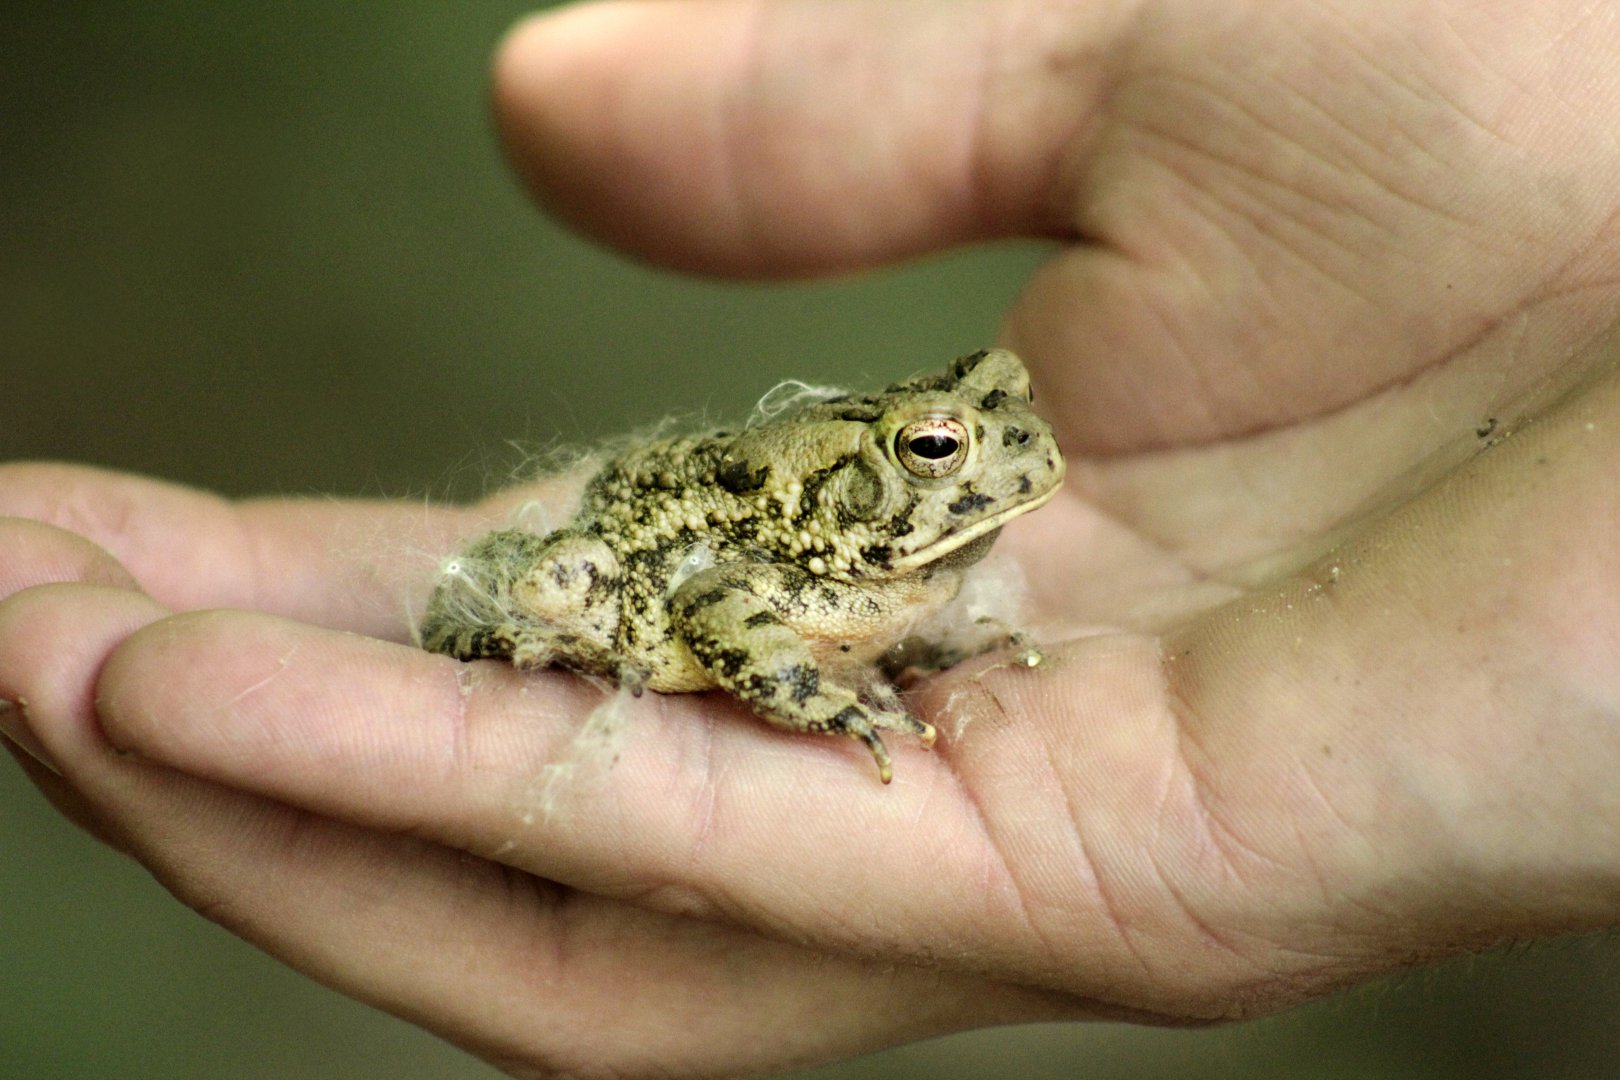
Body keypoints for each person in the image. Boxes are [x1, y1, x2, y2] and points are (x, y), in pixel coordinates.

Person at [4, 0, 1620, 1075]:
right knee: (553, 590)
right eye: (938, 448)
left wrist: (914, 632)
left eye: (983, 425)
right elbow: (713, 607)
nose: (993, 452)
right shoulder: (783, 550)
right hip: (658, 551)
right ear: (862, 487)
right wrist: (831, 693)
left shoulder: (898, 553)